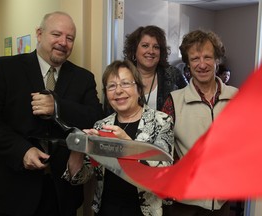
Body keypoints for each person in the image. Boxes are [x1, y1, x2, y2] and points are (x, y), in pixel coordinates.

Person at [0, 11, 103, 216]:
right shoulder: (5, 68)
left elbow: (95, 119)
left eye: (70, 38)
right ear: (39, 34)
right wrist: (21, 151)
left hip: (62, 193)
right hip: (12, 190)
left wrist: (58, 106)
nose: (63, 42)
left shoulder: (84, 78)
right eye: (56, 34)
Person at [63, 60, 174, 216]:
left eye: (125, 83)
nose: (118, 91)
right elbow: (79, 177)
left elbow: (164, 175)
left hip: (143, 211)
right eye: (112, 86)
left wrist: (127, 145)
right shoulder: (101, 126)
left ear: (139, 89)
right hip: (106, 209)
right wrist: (78, 147)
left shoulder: (161, 121)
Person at [161, 29, 238, 216]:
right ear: (187, 64)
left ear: (217, 60)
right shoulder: (173, 101)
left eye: (207, 57)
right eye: (195, 59)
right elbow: (161, 149)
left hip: (222, 202)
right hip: (184, 203)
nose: (202, 64)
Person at [119, 25, 188, 112]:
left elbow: (189, 102)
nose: (151, 51)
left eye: (156, 47)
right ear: (134, 50)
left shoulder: (173, 74)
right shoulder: (122, 76)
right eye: (145, 46)